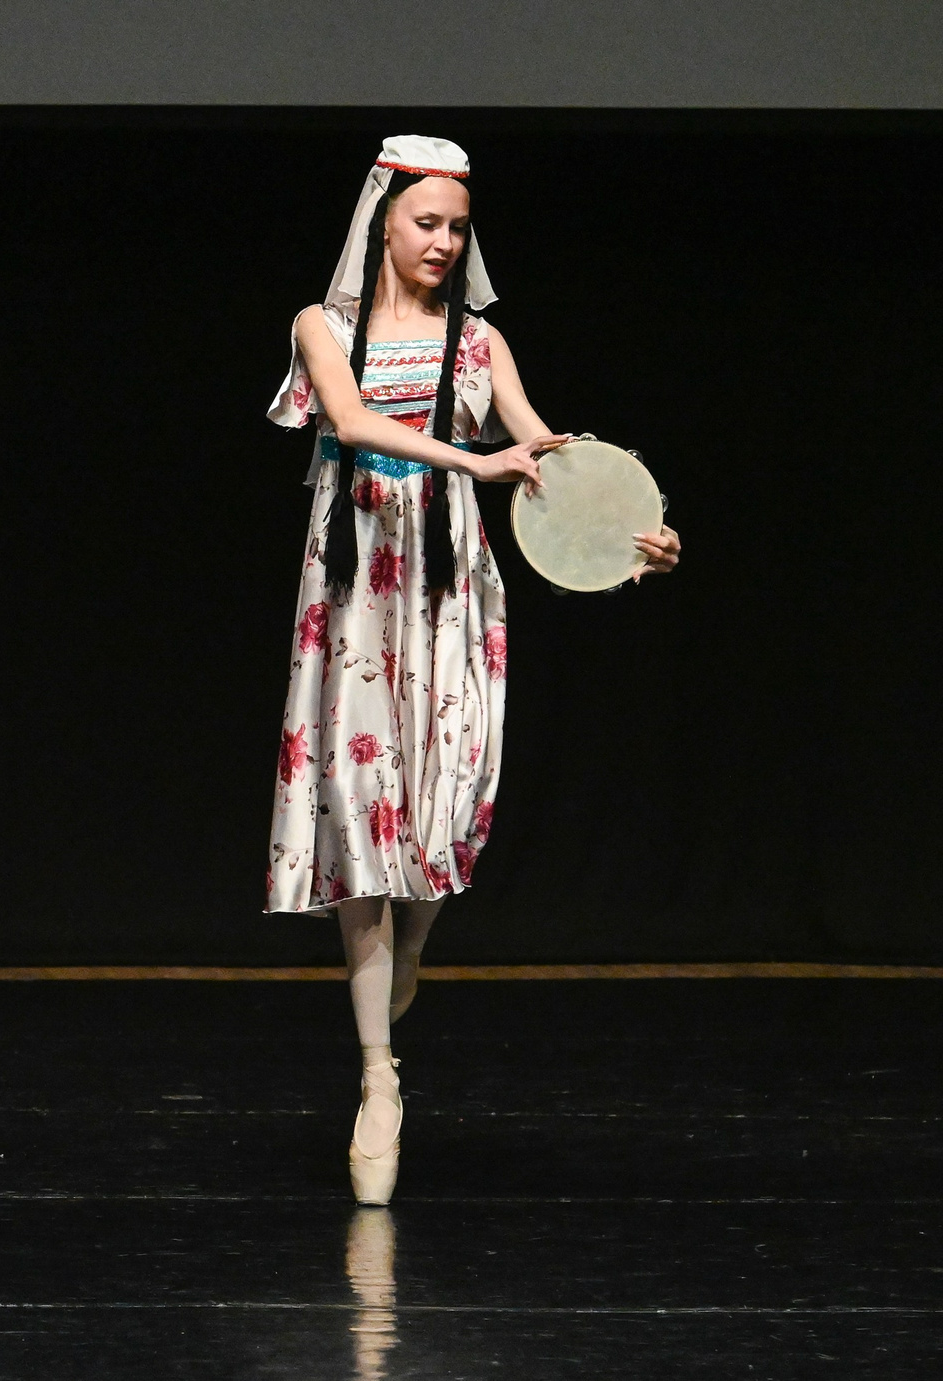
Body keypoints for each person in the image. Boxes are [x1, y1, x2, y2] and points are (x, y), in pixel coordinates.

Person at [264, 136, 680, 1206]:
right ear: (382, 225)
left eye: (457, 225)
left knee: (451, 804)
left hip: (451, 591)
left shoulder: (479, 343)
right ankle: (377, 1077)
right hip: (359, 587)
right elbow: (353, 426)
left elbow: (540, 452)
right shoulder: (325, 327)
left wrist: (631, 528)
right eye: (426, 223)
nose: (443, 242)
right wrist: (470, 457)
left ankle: (409, 953)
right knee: (365, 819)